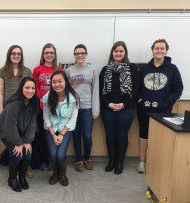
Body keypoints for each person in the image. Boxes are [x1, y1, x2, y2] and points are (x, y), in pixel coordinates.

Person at [137, 39, 183, 173]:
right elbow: (137, 87)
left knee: (160, 137)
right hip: (144, 109)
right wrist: (139, 99)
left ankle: (157, 165)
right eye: (156, 48)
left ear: (166, 51)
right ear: (152, 50)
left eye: (162, 48)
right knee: (143, 135)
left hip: (163, 110)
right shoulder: (144, 68)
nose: (159, 50)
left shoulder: (172, 69)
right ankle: (141, 163)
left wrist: (168, 102)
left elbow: (178, 89)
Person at [99, 41, 140, 175]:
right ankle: (111, 161)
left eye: (121, 51)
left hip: (126, 108)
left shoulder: (132, 68)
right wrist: (108, 104)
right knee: (110, 135)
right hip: (108, 108)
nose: (118, 53)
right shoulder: (105, 69)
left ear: (125, 53)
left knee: (121, 136)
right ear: (112, 53)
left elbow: (136, 89)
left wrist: (124, 104)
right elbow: (101, 91)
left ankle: (119, 162)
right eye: (116, 51)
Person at [0, 45, 33, 177]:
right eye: (13, 53)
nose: (16, 56)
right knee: (12, 137)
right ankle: (15, 164)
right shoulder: (2, 71)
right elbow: (0, 93)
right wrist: (1, 111)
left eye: (19, 54)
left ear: (21, 56)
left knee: (24, 136)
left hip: (24, 111)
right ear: (9, 55)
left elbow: (30, 91)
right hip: (9, 111)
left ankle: (24, 166)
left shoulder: (27, 71)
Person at [0, 77, 39, 192]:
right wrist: (18, 143)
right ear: (21, 88)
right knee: (17, 154)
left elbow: (32, 124)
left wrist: (27, 141)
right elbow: (9, 127)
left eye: (32, 88)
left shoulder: (33, 102)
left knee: (28, 153)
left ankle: (22, 177)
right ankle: (12, 179)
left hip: (22, 134)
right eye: (27, 88)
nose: (30, 91)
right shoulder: (13, 104)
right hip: (7, 133)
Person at [65, 44, 100, 172]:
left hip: (87, 108)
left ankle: (87, 158)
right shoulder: (68, 71)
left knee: (87, 136)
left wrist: (95, 110)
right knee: (75, 135)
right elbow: (66, 91)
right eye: (77, 53)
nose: (80, 55)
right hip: (73, 108)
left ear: (86, 54)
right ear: (74, 55)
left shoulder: (92, 70)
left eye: (82, 53)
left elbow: (95, 90)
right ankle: (78, 160)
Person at [42, 71, 79, 186]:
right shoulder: (48, 97)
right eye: (54, 82)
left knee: (61, 155)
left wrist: (61, 134)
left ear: (66, 82)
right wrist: (53, 135)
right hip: (50, 129)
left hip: (65, 129)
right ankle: (55, 173)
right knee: (53, 155)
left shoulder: (74, 97)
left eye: (60, 81)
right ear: (51, 84)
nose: (57, 84)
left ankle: (63, 175)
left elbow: (73, 118)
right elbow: (45, 116)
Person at [32, 43, 62, 171]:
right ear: (43, 54)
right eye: (46, 52)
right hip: (41, 108)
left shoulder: (60, 70)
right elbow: (34, 89)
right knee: (44, 136)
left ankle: (55, 161)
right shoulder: (37, 69)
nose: (49, 55)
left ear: (54, 55)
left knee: (56, 133)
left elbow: (62, 89)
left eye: (51, 52)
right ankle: (45, 160)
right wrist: (42, 104)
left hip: (56, 108)